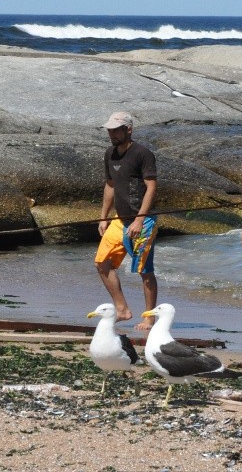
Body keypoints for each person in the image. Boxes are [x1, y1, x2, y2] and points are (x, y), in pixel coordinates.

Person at [95, 111, 159, 331]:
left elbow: (151, 187)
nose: (112, 134)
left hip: (143, 220)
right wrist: (104, 217)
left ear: (128, 129)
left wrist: (140, 220)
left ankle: (149, 318)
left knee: (145, 270)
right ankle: (122, 309)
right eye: (110, 130)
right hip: (119, 220)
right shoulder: (109, 154)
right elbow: (110, 185)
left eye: (116, 130)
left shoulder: (143, 154)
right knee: (102, 263)